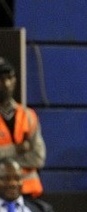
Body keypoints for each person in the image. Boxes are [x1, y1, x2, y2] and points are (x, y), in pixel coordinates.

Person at [0, 56, 46, 198]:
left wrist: (5, 165)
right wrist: (17, 149)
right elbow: (28, 155)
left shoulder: (28, 115)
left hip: (28, 193)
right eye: (1, 79)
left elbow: (38, 157)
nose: (6, 84)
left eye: (10, 78)